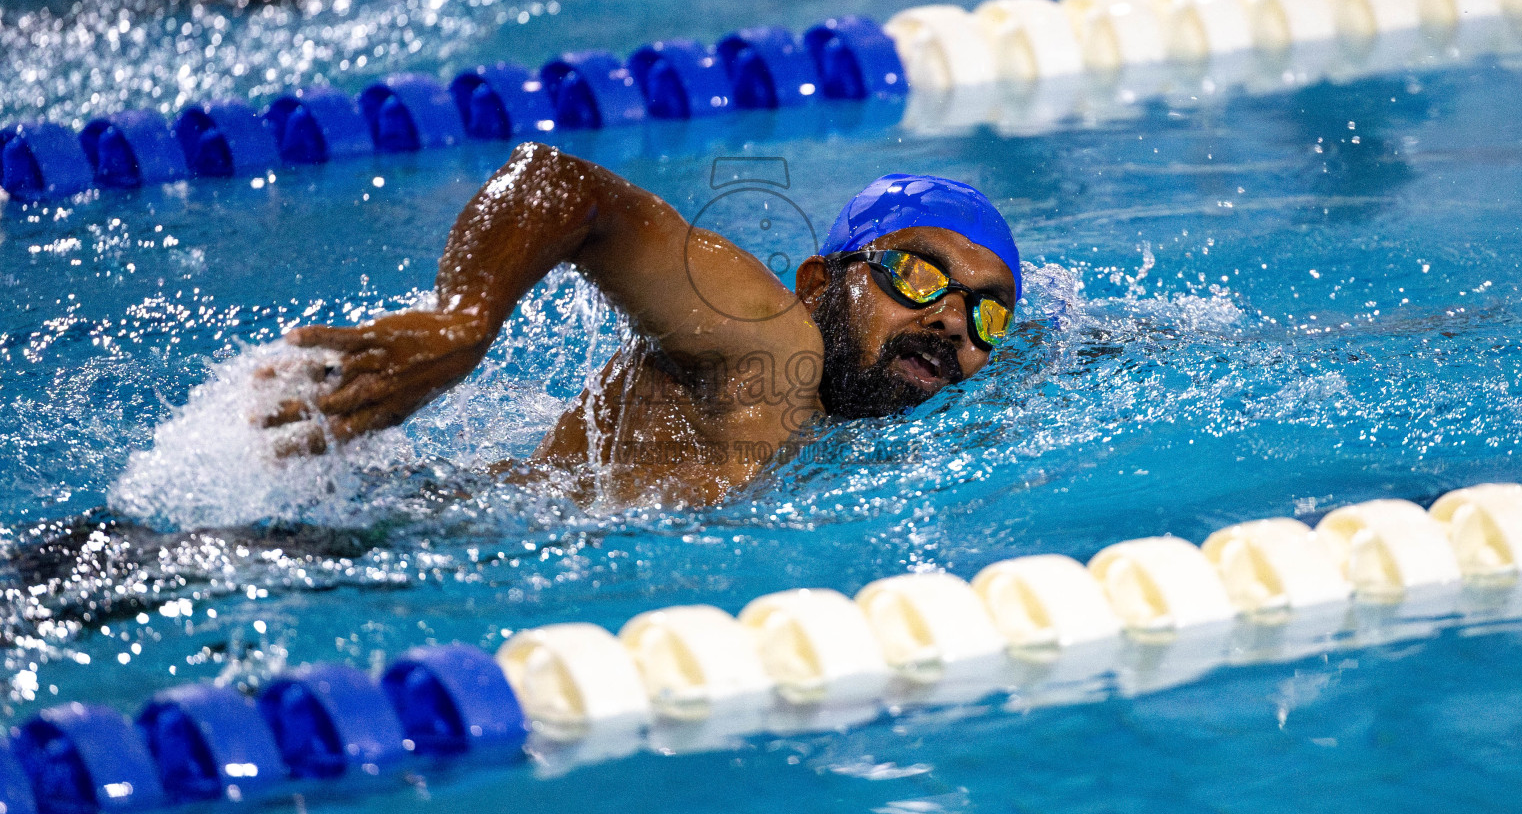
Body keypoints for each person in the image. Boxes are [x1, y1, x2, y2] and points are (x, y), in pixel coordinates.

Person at [262, 143, 1020, 506]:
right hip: (381, 543)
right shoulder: (767, 341)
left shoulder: (884, 414)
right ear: (821, 281)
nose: (953, 319)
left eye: (988, 314)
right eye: (917, 275)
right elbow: (560, 186)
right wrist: (466, 318)